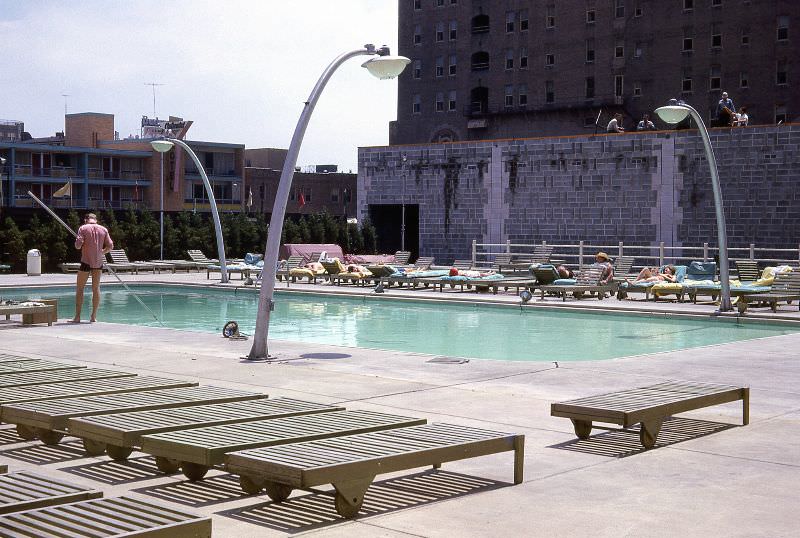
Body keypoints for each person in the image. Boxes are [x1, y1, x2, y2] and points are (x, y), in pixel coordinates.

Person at [72, 213, 113, 322]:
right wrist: (102, 252)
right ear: (96, 220)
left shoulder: (83, 228)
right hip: (98, 263)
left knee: (80, 288)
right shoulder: (103, 229)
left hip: (86, 262)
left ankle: (77, 317)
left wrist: (80, 241)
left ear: (86, 220)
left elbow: (77, 246)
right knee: (96, 288)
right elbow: (110, 246)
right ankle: (93, 317)